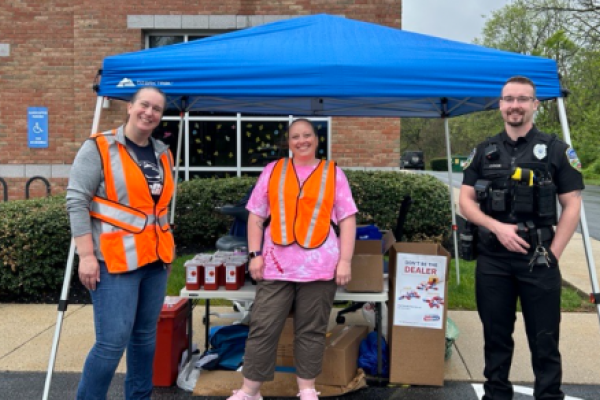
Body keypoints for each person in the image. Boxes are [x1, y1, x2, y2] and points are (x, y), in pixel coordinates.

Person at [459, 76, 584, 400]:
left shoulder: (557, 150)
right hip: (493, 260)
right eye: (509, 99)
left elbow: (572, 205)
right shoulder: (484, 151)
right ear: (500, 105)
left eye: (522, 99)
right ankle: (496, 395)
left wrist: (553, 255)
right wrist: (497, 227)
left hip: (539, 259)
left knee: (545, 340)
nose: (515, 105)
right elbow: (466, 200)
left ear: (534, 105)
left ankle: (548, 396)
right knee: (496, 338)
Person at [227, 119, 358, 400]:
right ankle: (250, 391)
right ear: (289, 142)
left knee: (311, 330)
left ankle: (307, 390)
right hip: (276, 265)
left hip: (320, 267)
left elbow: (347, 219)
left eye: (307, 135)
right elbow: (256, 215)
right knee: (263, 326)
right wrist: (254, 256)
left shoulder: (333, 173)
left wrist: (345, 260)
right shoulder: (273, 171)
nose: (302, 141)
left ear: (316, 139)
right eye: (295, 136)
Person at [66, 86, 175, 400]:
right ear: (130, 106)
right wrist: (86, 256)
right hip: (114, 262)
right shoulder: (99, 147)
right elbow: (77, 202)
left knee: (144, 340)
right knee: (112, 343)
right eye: (144, 104)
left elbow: (159, 210)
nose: (149, 112)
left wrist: (167, 249)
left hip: (155, 263)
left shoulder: (162, 153)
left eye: (156, 108)